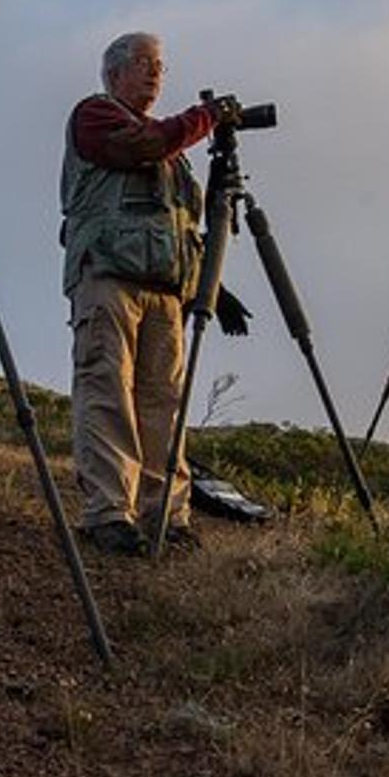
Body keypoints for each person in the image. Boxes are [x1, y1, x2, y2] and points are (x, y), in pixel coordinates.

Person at [60, 32, 245, 555]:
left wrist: (212, 286)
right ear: (114, 73)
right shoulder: (96, 116)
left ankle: (167, 515)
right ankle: (108, 514)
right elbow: (140, 146)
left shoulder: (175, 153)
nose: (155, 73)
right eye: (143, 63)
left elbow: (176, 223)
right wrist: (203, 117)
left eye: (160, 65)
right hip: (108, 277)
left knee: (164, 403)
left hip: (164, 288)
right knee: (107, 394)